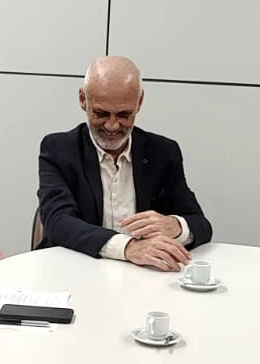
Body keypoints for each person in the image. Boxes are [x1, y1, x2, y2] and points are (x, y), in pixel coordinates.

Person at [35, 56, 212, 272]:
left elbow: (201, 225)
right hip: (73, 272)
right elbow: (58, 222)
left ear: (139, 102)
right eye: (101, 113)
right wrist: (127, 247)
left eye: (124, 115)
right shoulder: (59, 149)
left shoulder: (164, 152)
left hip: (144, 277)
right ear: (83, 99)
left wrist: (175, 226)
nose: (112, 125)